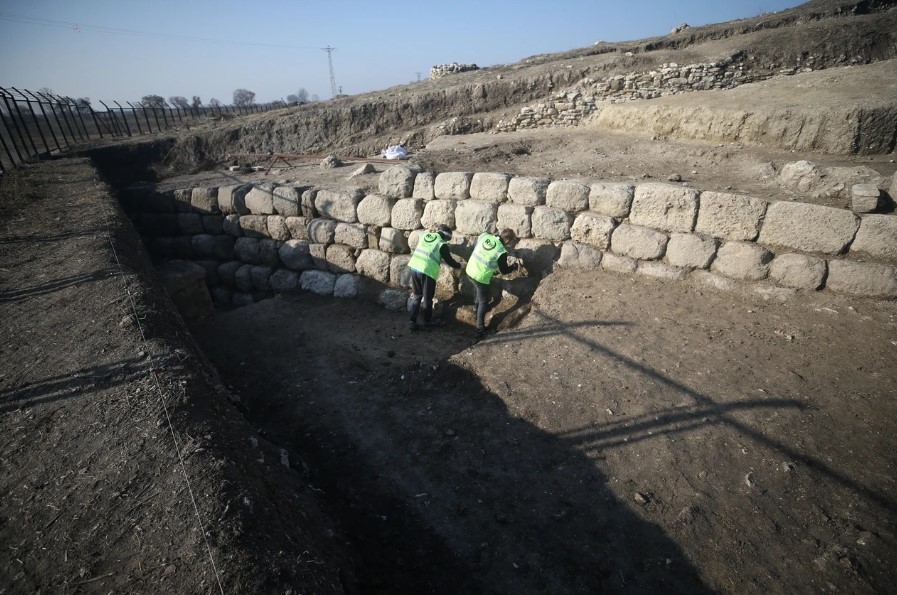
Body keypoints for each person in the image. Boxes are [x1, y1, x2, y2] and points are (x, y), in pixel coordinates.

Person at [465, 228, 520, 338]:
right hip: (481, 276)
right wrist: (513, 266)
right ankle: (480, 329)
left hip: (469, 270)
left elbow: (481, 237)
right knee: (484, 301)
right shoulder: (501, 251)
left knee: (477, 289)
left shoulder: (486, 237)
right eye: (512, 241)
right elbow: (504, 270)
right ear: (507, 241)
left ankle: (476, 308)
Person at [407, 224, 462, 330]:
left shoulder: (425, 235)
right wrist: (460, 266)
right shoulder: (442, 244)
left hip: (414, 267)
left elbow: (424, 233)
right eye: (448, 239)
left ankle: (412, 321)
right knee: (427, 298)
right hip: (427, 270)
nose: (447, 242)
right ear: (446, 237)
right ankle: (427, 321)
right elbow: (449, 260)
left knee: (417, 295)